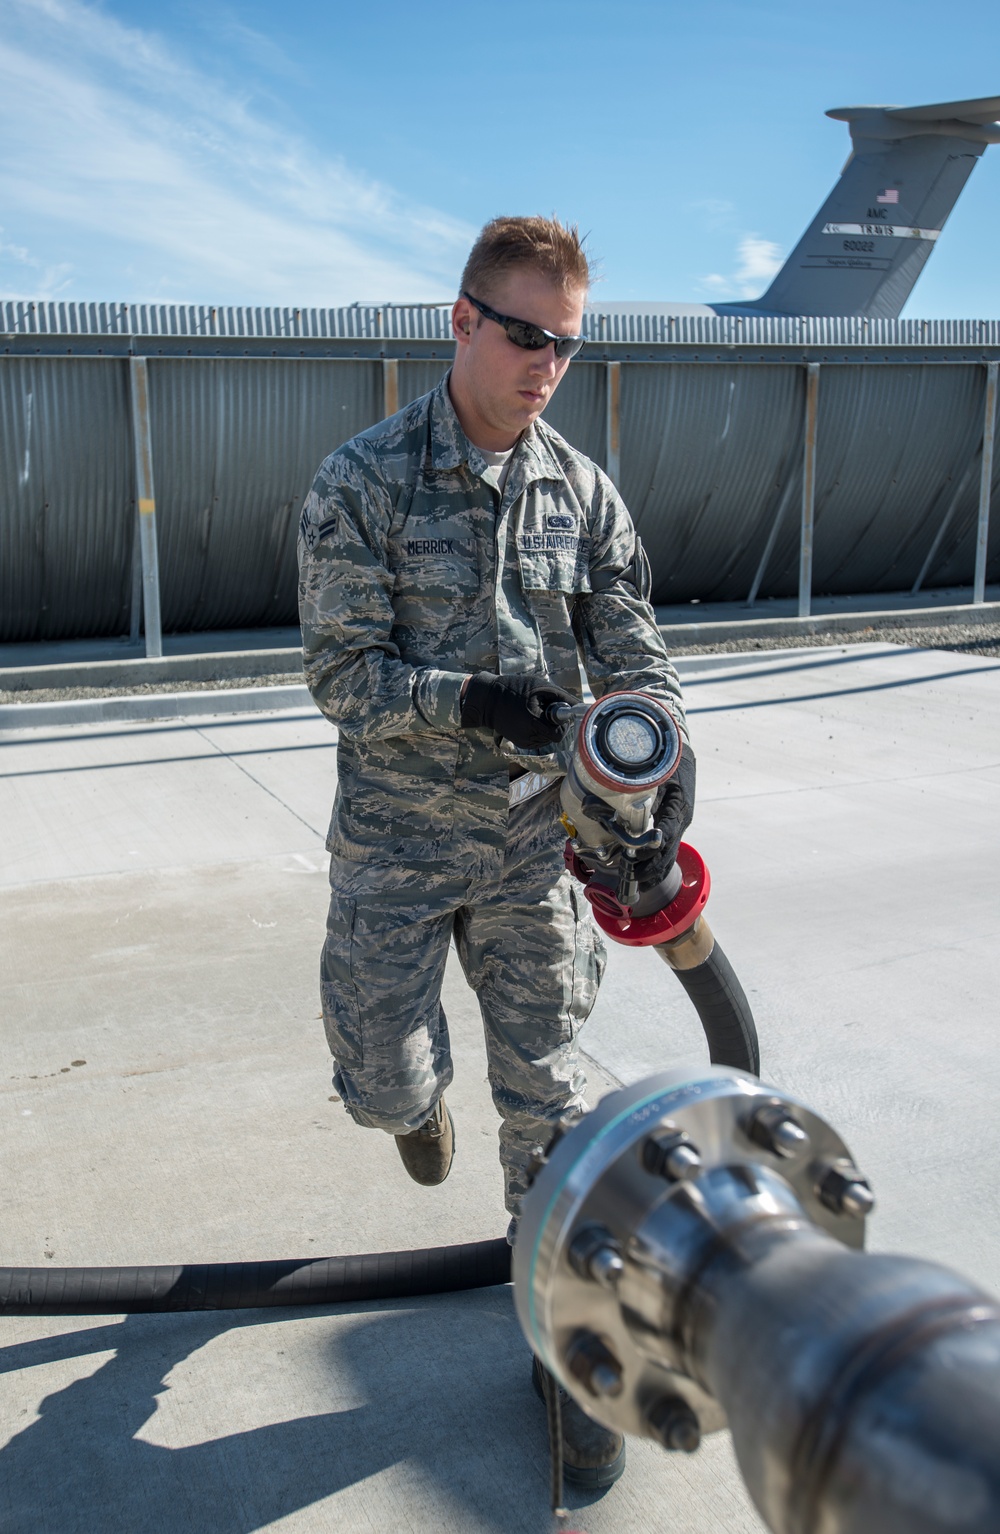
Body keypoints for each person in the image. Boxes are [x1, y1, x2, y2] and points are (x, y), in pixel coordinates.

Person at [297, 216, 694, 1488]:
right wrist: (471, 701)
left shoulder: (583, 491)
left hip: (538, 853)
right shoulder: (358, 481)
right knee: (378, 1077)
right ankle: (414, 1110)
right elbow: (341, 675)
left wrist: (660, 756)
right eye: (524, 333)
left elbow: (635, 652)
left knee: (557, 1108)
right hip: (398, 848)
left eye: (567, 344)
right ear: (461, 319)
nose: (545, 364)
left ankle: (562, 1346)